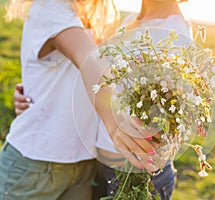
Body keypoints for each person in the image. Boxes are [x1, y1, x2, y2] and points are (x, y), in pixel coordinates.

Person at [13, 0, 193, 199]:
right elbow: (91, 65)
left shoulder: (174, 31)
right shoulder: (131, 20)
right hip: (99, 164)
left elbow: (91, 62)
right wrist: (37, 89)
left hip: (134, 171)